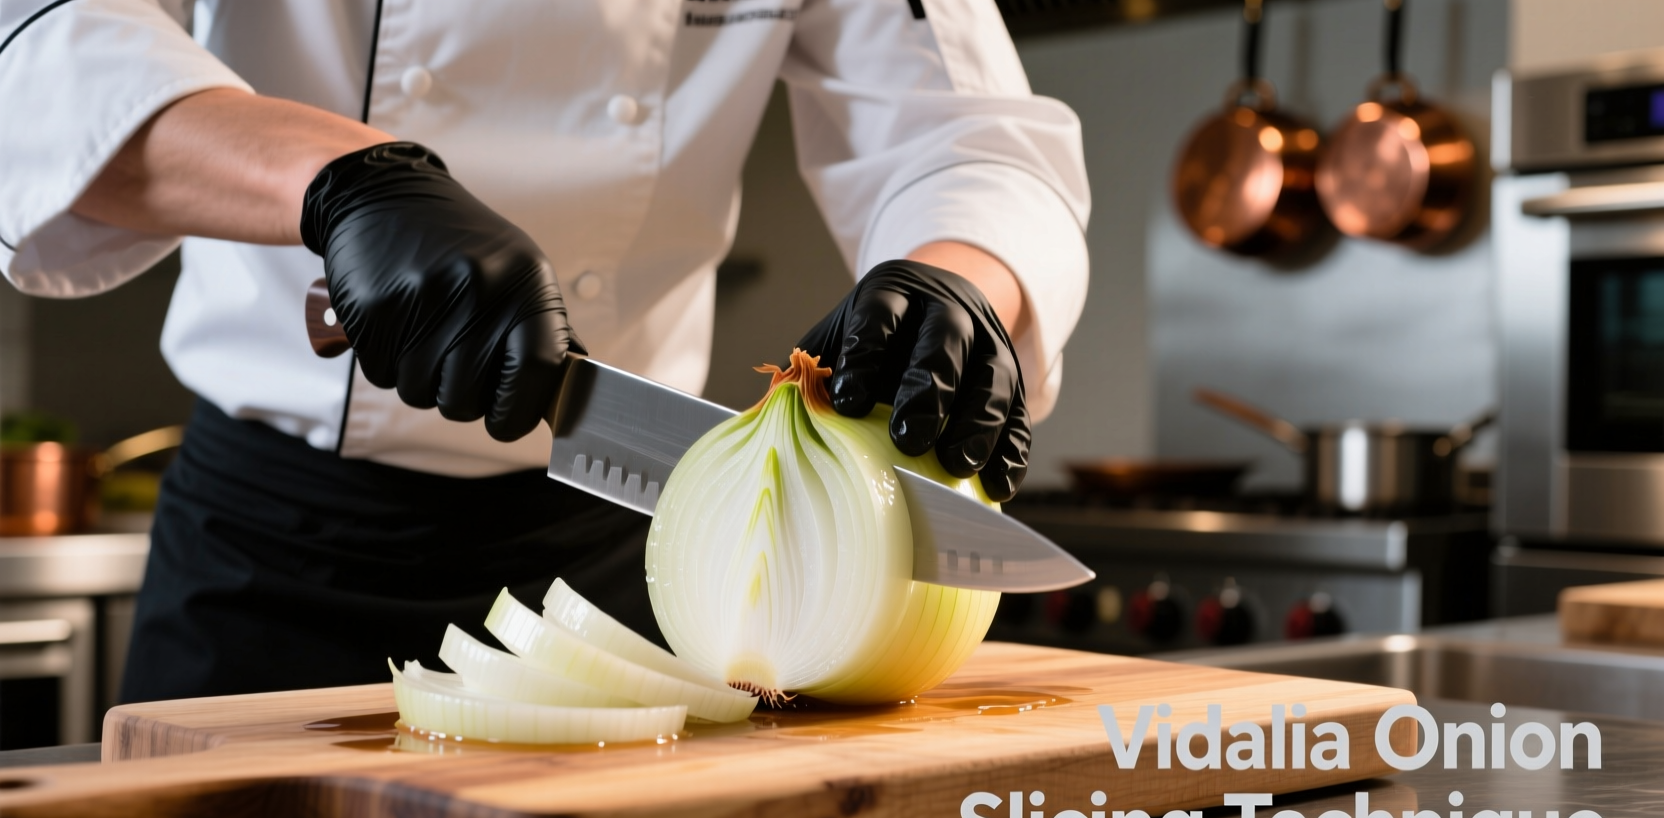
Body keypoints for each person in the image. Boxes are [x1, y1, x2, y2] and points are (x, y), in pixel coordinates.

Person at [0, 0, 1089, 701]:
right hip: (269, 570)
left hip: (635, 585)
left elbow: (965, 126)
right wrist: (344, 183)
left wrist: (961, 278)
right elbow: (40, 46)